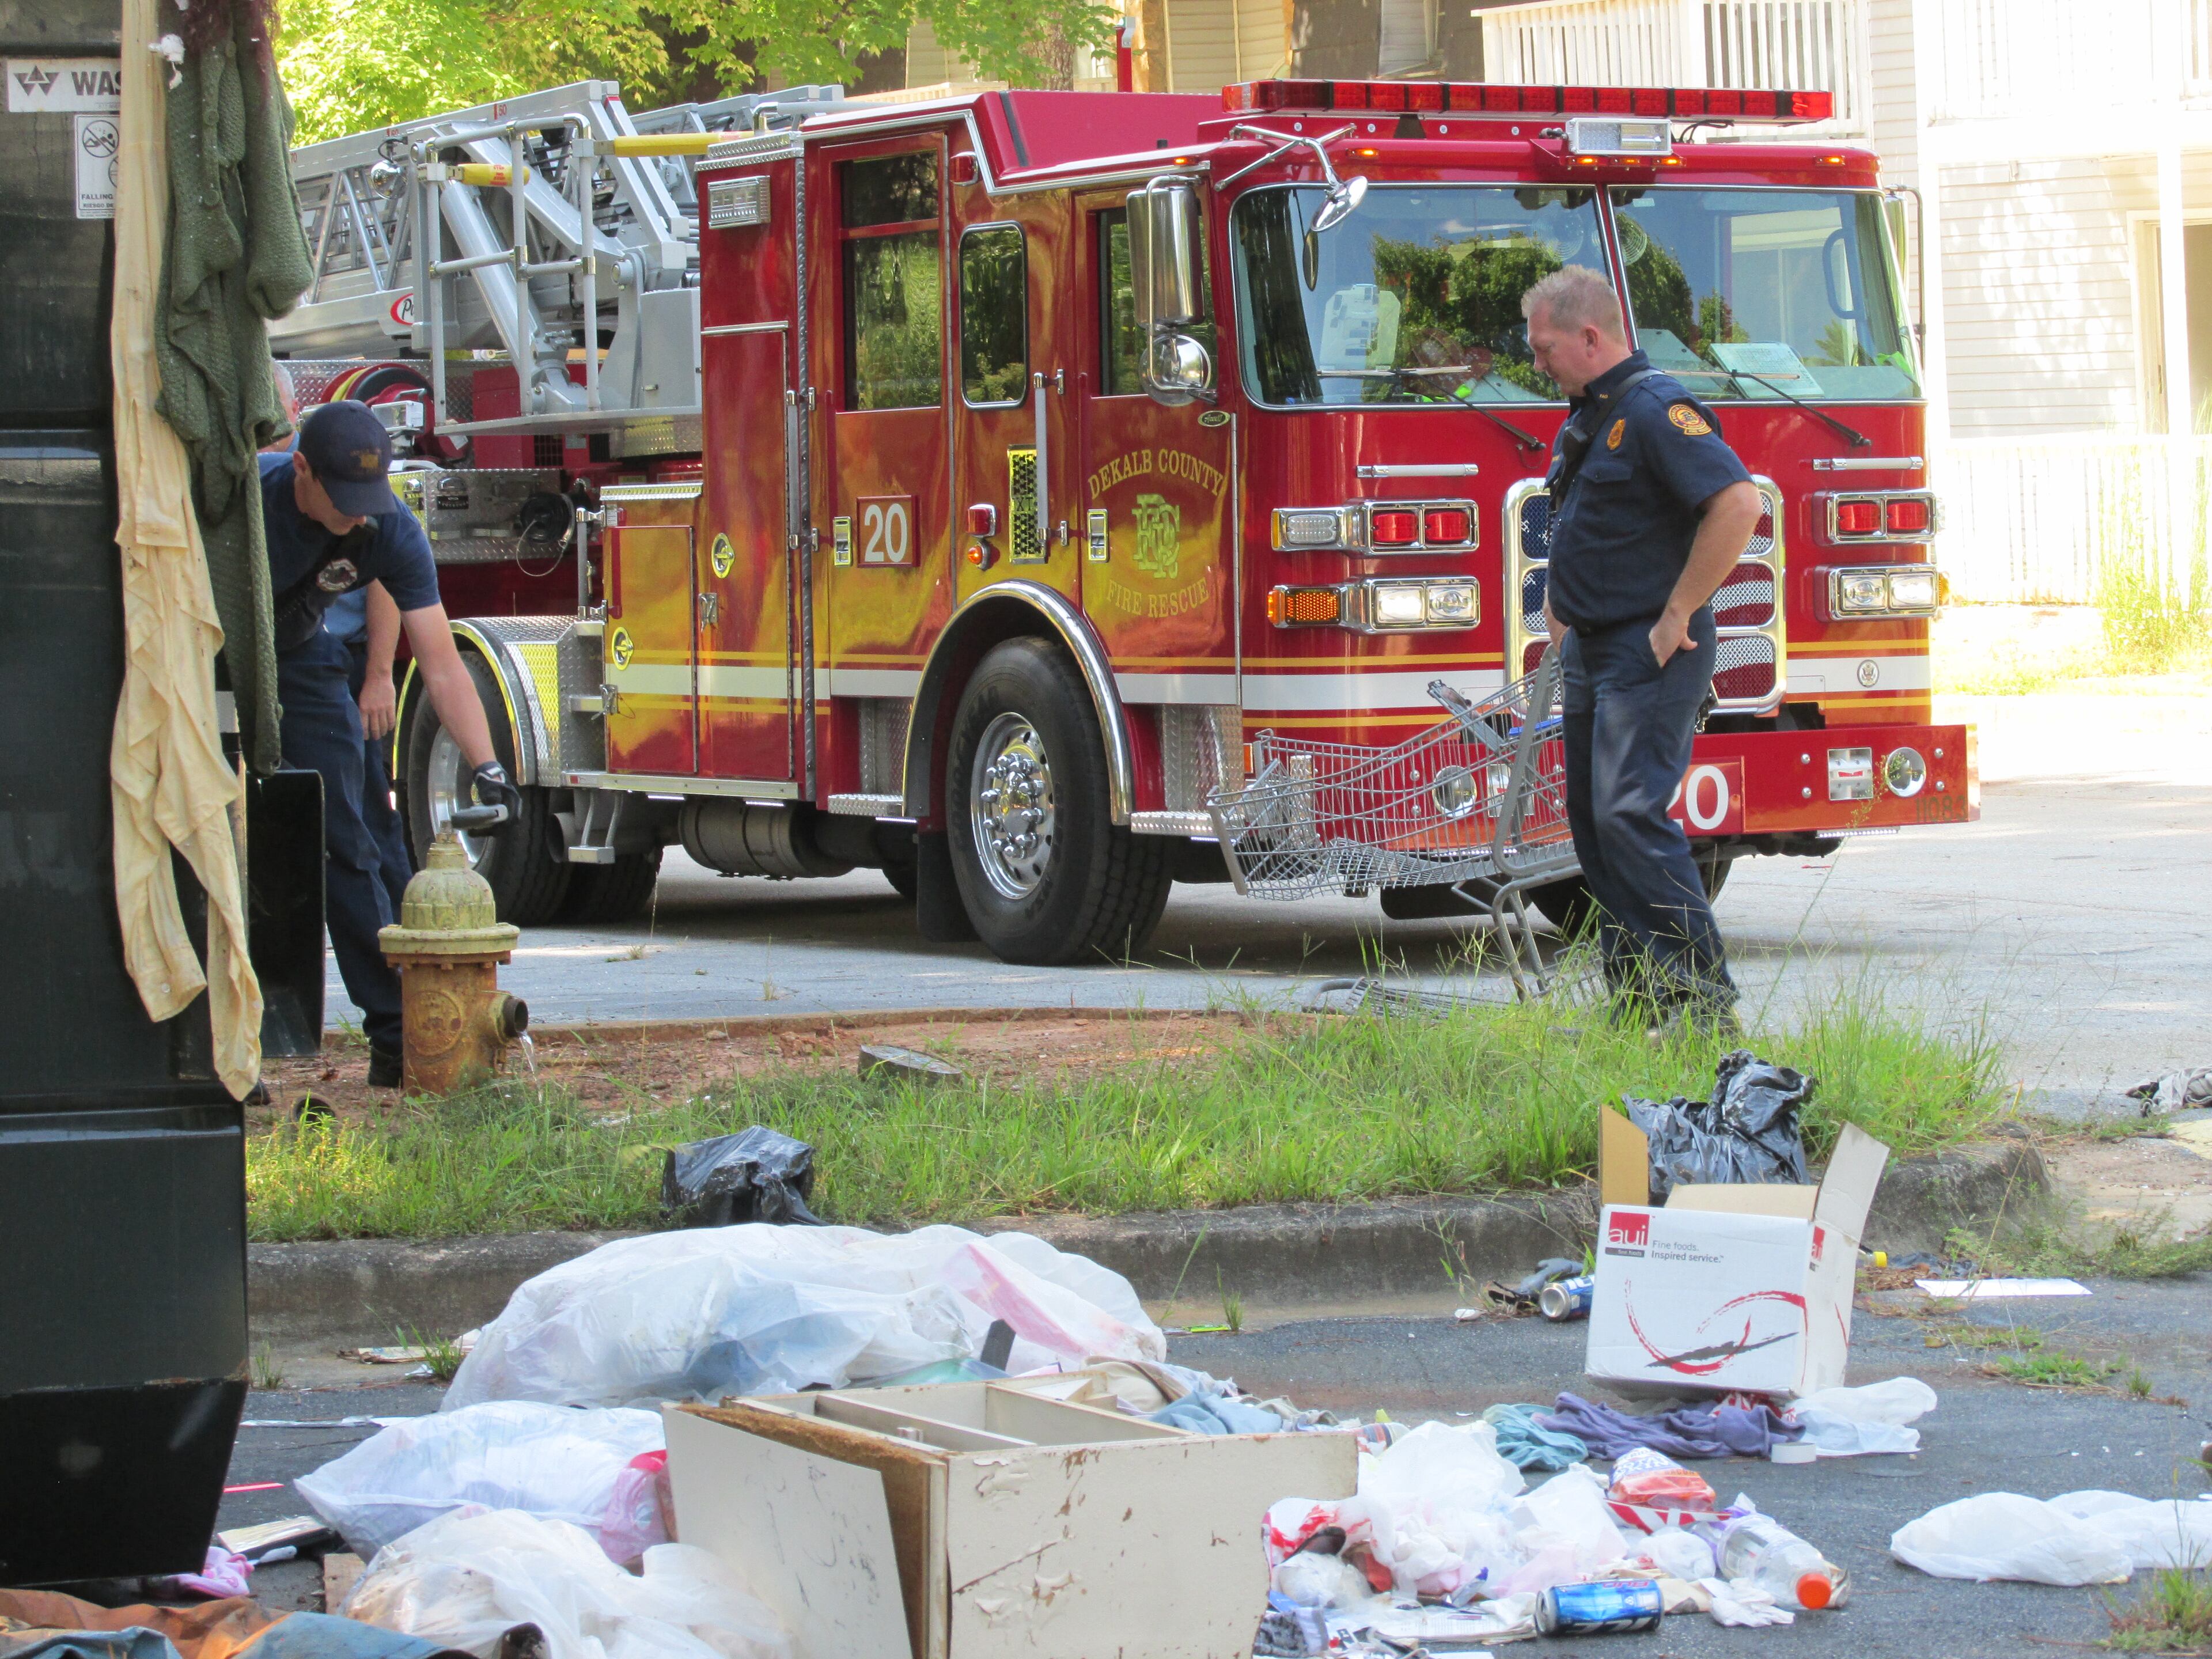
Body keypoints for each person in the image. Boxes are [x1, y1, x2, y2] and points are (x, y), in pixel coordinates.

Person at [1520, 266, 1763, 1028]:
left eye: (1545, 347)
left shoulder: (1659, 410)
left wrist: (1678, 611)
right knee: (1595, 827)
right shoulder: (1591, 415)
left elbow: (1737, 503)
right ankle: (1635, 1002)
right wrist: (1561, 612)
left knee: (1630, 812)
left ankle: (1702, 1003)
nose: (1537, 363)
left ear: (1590, 338)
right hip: (1596, 651)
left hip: (1652, 650)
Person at [263, 399, 519, 1086]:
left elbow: (439, 661)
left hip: (297, 653)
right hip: (207, 652)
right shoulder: (245, 503)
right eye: (341, 498)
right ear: (302, 471)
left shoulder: (388, 528)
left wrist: (488, 765)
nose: (356, 515)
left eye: (365, 500)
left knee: (350, 832)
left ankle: (395, 1031)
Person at [268, 363, 412, 918]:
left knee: (362, 817)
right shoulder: (257, 486)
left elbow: (386, 583)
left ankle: (396, 942)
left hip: (340, 660)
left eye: (274, 407)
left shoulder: (360, 496)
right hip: (282, 656)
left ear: (288, 412)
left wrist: (379, 675)